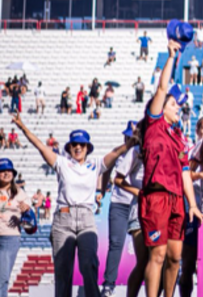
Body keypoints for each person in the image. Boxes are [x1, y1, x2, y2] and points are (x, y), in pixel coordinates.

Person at [12, 116, 133, 297]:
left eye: (82, 145)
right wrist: (23, 128)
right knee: (63, 271)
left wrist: (132, 142)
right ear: (69, 147)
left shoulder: (96, 164)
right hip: (63, 219)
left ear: (87, 148)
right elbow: (40, 146)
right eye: (74, 144)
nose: (78, 147)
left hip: (86, 218)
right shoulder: (62, 163)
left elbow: (116, 153)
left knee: (89, 265)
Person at [140, 39, 203, 297]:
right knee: (157, 254)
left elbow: (185, 173)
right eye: (173, 104)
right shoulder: (153, 125)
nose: (177, 107)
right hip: (156, 196)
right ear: (160, 108)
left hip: (178, 200)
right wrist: (171, 58)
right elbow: (161, 88)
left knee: (175, 257)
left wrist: (193, 204)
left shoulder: (179, 136)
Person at [101, 123, 139, 297]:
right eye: (127, 136)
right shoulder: (119, 152)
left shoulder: (142, 152)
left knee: (146, 247)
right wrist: (101, 192)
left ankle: (149, 283)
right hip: (120, 203)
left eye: (132, 136)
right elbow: (106, 170)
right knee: (116, 244)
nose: (129, 139)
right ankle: (109, 284)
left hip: (139, 204)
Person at [180, 117, 203, 297]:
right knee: (188, 263)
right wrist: (200, 175)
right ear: (197, 130)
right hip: (191, 210)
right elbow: (184, 175)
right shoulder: (191, 150)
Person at [0, 158, 37, 297]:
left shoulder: (19, 192)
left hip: (10, 238)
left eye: (8, 170)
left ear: (13, 174)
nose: (6, 173)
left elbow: (30, 219)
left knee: (2, 278)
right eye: (2, 171)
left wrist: (26, 209)